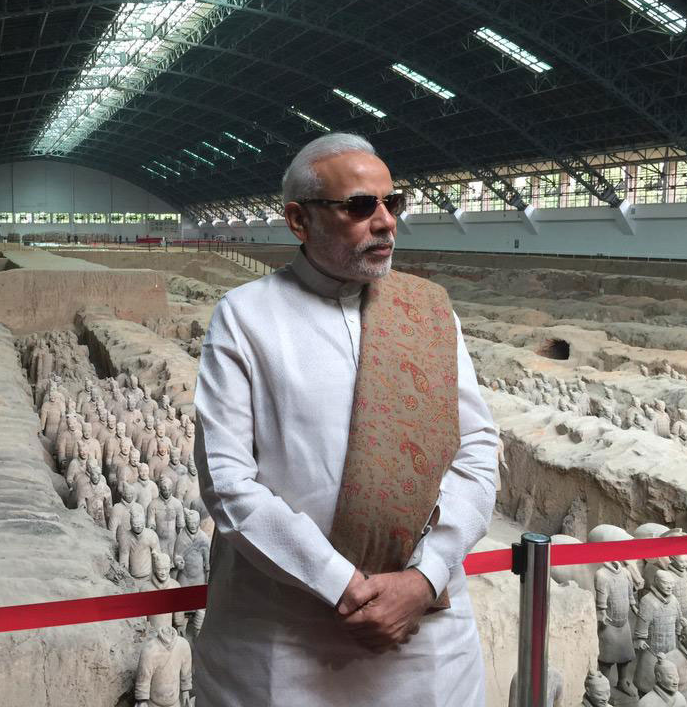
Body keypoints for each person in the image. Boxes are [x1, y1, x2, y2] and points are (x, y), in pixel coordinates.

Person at [193, 133, 498, 706]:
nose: (385, 222)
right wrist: (340, 584)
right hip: (287, 630)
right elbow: (227, 481)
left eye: (392, 203)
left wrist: (425, 577)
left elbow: (477, 448)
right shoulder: (246, 316)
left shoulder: (430, 312)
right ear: (299, 220)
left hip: (424, 630)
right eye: (360, 206)